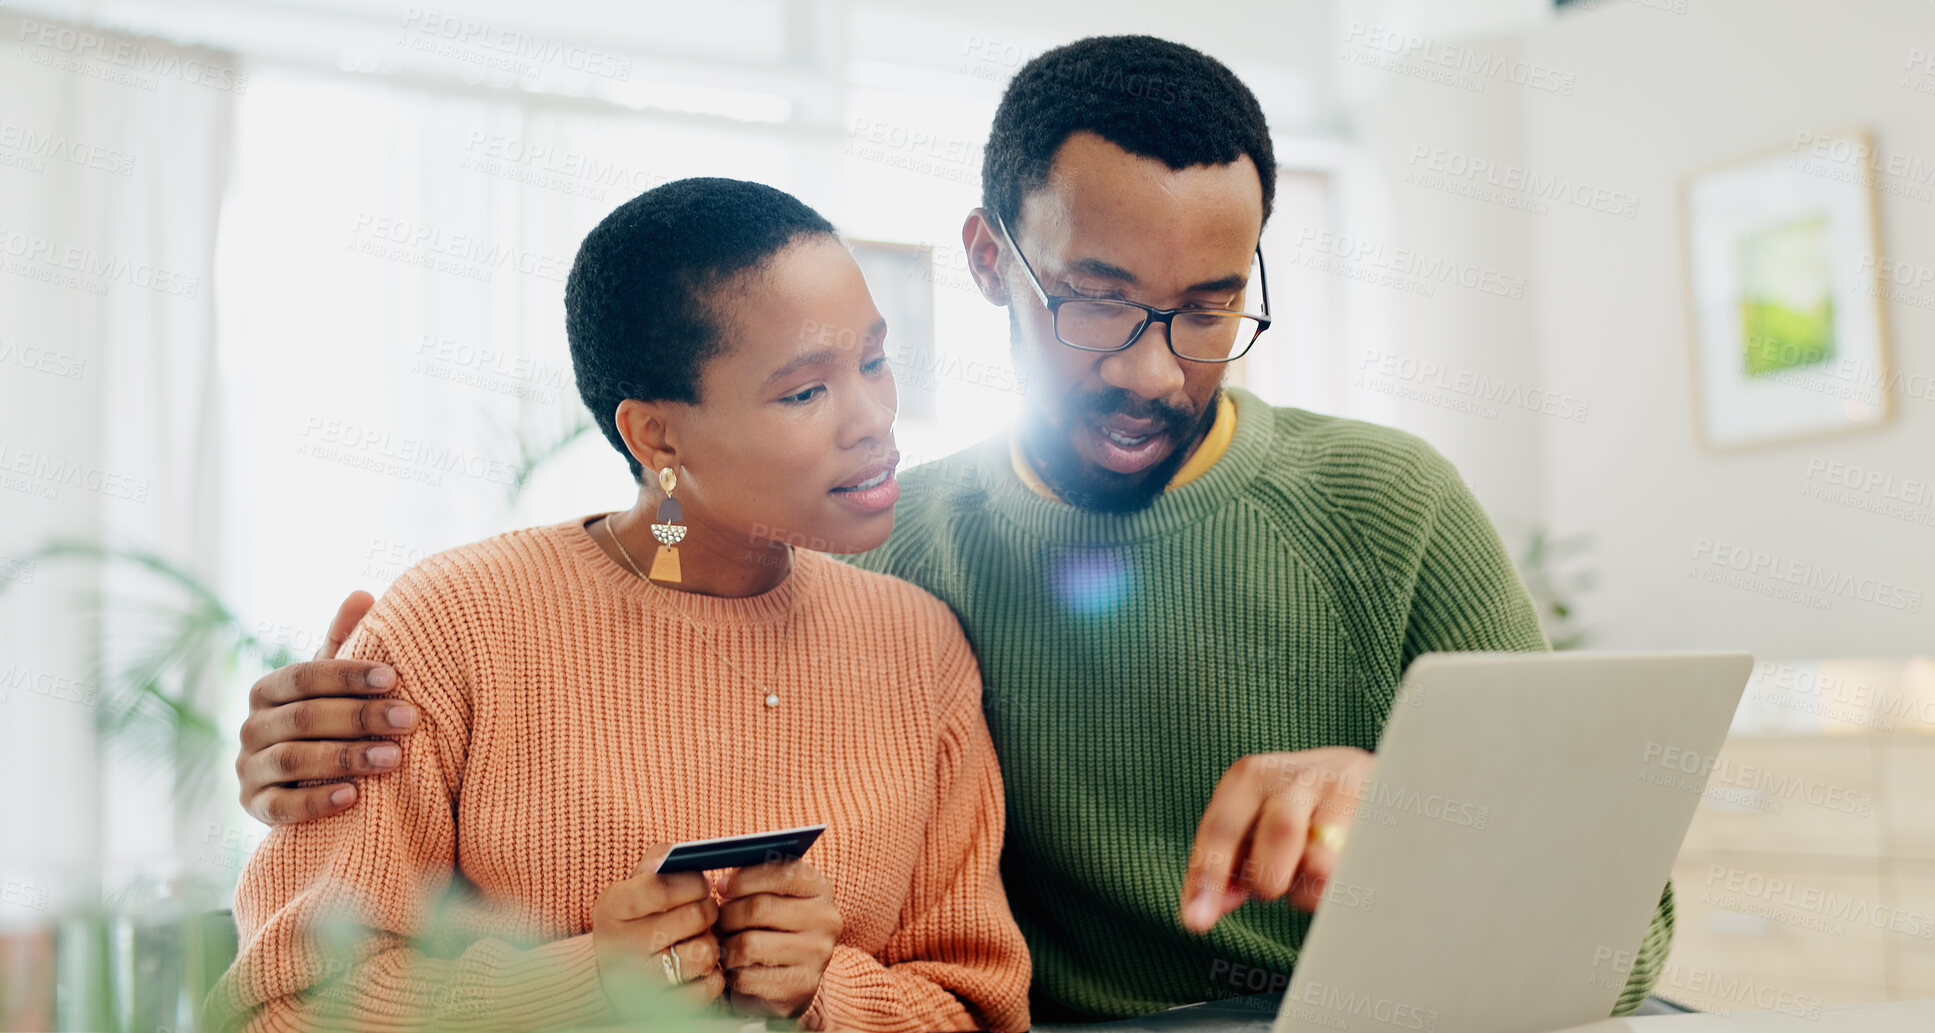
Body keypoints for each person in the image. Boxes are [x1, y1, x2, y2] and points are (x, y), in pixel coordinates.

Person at [231, 36, 1673, 1024]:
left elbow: (1619, 938)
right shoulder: (888, 552)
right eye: (1100, 297)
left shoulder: (1388, 506)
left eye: (1212, 305)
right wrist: (311, 735)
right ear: (989, 261)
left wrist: (1411, 817)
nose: (1158, 363)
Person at [211, 178, 1031, 1033]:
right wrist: (584, 989)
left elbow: (976, 1004)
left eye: (873, 360)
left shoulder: (918, 643)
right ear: (657, 436)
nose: (873, 419)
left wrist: (824, 996)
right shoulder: (452, 625)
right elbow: (284, 1005)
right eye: (803, 392)